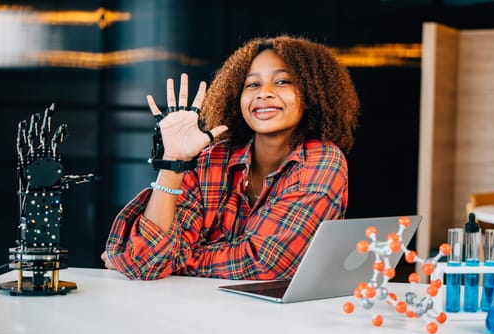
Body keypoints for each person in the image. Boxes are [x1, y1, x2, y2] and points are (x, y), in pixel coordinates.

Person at [101, 35, 360, 280]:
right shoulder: (214, 158)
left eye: (282, 82)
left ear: (311, 94)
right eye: (252, 84)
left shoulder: (322, 160)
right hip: (199, 315)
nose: (264, 93)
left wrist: (177, 260)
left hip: (283, 322)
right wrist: (174, 161)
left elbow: (266, 264)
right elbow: (148, 260)